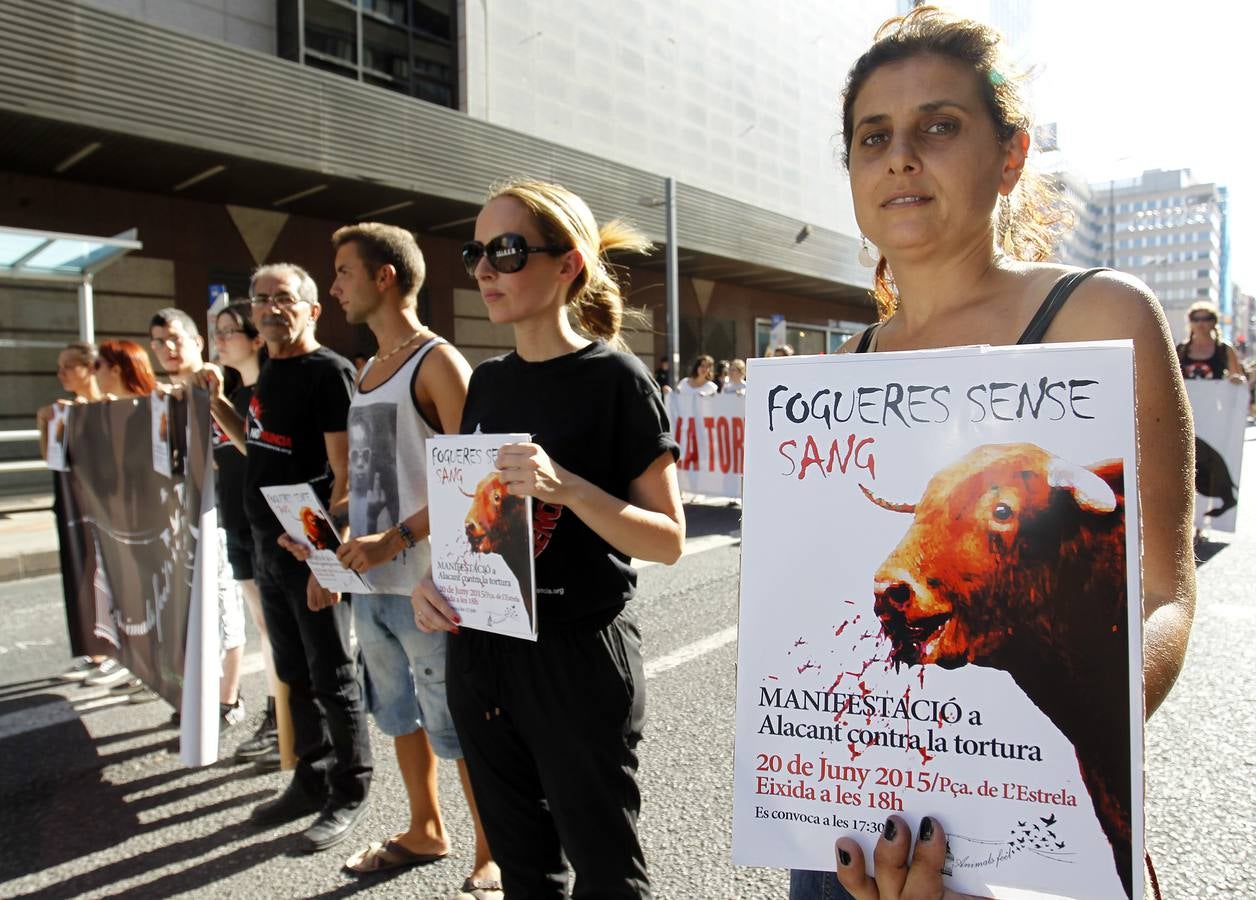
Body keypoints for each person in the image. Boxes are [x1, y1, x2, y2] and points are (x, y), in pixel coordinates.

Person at [788, 8, 1195, 899]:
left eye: (939, 126)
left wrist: (1044, 759)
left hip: (1030, 834)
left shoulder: (1102, 316)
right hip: (855, 840)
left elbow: (1161, 592)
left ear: (1011, 157)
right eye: (873, 136)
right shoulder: (843, 371)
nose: (901, 155)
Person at [411, 178, 685, 899]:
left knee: (605, 875)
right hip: (482, 648)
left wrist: (567, 487)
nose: (483, 272)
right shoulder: (489, 383)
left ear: (569, 266)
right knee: (524, 872)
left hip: (575, 652)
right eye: (476, 252)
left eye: (505, 251)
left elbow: (667, 542)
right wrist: (437, 584)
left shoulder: (617, 380)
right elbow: (478, 524)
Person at [313, 222, 499, 895]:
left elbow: (481, 484)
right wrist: (320, 540)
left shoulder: (438, 362)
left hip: (435, 586)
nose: (334, 287)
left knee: (460, 728)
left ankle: (491, 850)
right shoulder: (364, 373)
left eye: (343, 272)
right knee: (398, 715)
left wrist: (393, 542)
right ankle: (426, 828)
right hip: (376, 587)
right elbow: (365, 489)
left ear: (384, 276)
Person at [202, 263, 372, 853]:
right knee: (293, 674)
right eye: (261, 300)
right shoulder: (270, 371)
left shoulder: (330, 373)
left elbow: (348, 476)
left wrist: (328, 564)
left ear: (312, 309)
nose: (271, 308)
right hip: (264, 544)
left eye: (284, 299)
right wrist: (222, 403)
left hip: (309, 549)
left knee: (333, 674)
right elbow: (259, 448)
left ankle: (349, 789)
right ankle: (310, 777)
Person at [147, 308, 250, 720]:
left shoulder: (215, 382)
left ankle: (228, 700)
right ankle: (199, 696)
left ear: (197, 342)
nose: (168, 349)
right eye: (158, 342)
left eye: (175, 338)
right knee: (188, 614)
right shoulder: (160, 397)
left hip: (222, 518)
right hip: (177, 521)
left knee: (227, 614)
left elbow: (233, 452)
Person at [211, 302, 281, 766]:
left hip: (267, 525)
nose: (219, 340)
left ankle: (285, 721)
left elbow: (260, 454)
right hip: (235, 522)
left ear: (257, 338)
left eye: (228, 331)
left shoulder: (271, 393)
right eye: (216, 332)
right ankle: (278, 717)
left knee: (277, 629)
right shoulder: (233, 394)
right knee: (263, 627)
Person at [39, 342, 109, 684]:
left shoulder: (109, 406)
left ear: (90, 367)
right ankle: (93, 652)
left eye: (68, 366)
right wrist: (46, 425)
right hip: (73, 509)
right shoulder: (63, 411)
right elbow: (53, 460)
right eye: (58, 367)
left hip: (107, 512)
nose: (61, 373)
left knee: (108, 579)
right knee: (80, 577)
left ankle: (113, 653)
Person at [1176, 301, 1246, 383]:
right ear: (1190, 322)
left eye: (1206, 319)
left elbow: (1238, 376)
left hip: (1217, 395)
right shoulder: (1181, 349)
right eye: (1195, 319)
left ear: (1214, 322)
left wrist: (1236, 379)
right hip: (1187, 395)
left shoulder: (1224, 348)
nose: (1200, 323)